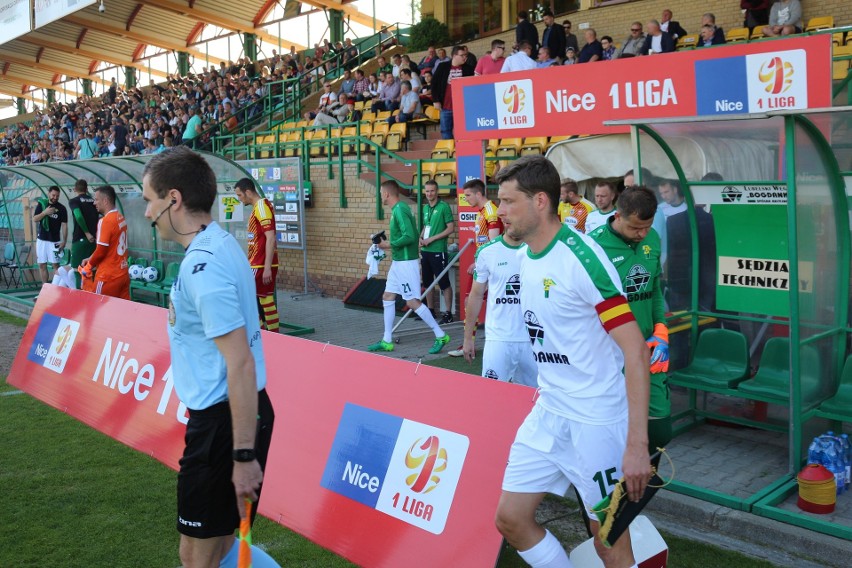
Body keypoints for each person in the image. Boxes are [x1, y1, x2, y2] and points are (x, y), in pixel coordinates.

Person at [492, 155, 651, 568]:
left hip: (597, 419)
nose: (499, 211)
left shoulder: (583, 259)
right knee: (510, 519)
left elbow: (635, 349)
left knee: (609, 543)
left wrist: (637, 445)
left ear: (540, 201)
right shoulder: (525, 256)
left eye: (508, 202)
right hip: (550, 409)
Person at [142, 146, 279, 568]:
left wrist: (242, 456)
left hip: (224, 423)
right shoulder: (220, 242)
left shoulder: (202, 266)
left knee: (197, 557)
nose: (147, 212)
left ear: (174, 199)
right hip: (235, 416)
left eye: (149, 200)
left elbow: (239, 362)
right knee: (216, 549)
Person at [590, 186, 671, 453]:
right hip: (612, 354)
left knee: (660, 431)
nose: (642, 234)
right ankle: (616, 488)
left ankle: (640, 482)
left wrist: (661, 329)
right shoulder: (594, 246)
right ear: (618, 215)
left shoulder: (653, 239)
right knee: (613, 433)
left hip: (650, 348)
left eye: (647, 227)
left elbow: (654, 289)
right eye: (636, 228)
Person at [367, 180, 451, 354]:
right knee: (388, 295)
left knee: (412, 301)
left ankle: (440, 334)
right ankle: (387, 340)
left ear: (387, 194)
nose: (380, 196)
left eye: (381, 193)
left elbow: (410, 236)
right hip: (399, 262)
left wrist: (388, 245)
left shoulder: (400, 210)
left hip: (406, 263)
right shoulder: (398, 209)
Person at [461, 228, 537, 387]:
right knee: (491, 396)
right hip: (498, 340)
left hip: (533, 340)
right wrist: (468, 338)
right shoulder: (487, 251)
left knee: (534, 399)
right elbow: (475, 296)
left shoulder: (538, 248)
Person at [448, 178, 503, 358]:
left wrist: (480, 263)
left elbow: (494, 242)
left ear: (479, 194)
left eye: (469, 195)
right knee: (468, 301)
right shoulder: (481, 212)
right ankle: (469, 341)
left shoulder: (490, 211)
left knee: (480, 301)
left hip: (490, 267)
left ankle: (480, 341)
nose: (466, 199)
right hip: (482, 265)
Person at [234, 178, 280, 333]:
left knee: (246, 298)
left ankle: (261, 333)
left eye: (240, 195)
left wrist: (267, 267)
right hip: (258, 263)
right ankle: (270, 333)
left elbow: (271, 237)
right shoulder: (259, 207)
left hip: (260, 264)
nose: (239, 199)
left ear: (248, 192)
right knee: (264, 299)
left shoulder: (261, 206)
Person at [78, 185, 130, 299]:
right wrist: (90, 257)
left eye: (96, 199)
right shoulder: (120, 217)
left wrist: (89, 266)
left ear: (105, 201)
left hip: (108, 277)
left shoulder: (105, 221)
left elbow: (101, 251)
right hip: (123, 274)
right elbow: (108, 247)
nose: (94, 203)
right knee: (122, 313)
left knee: (98, 311)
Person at [419, 180, 455, 325]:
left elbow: (450, 228)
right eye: (427, 191)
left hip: (438, 251)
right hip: (425, 251)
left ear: (437, 191)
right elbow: (426, 226)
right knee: (427, 283)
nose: (429, 194)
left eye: (432, 191)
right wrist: (421, 238)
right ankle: (430, 311)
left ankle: (448, 313)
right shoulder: (425, 208)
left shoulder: (444, 207)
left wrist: (432, 239)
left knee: (443, 283)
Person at [431, 46, 474, 140]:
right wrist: (435, 100)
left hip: (462, 108)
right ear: (454, 56)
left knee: (463, 131)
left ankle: (462, 151)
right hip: (446, 107)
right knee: (445, 131)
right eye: (462, 55)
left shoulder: (469, 69)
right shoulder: (443, 66)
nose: (464, 57)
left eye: (465, 55)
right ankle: (451, 153)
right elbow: (434, 83)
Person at [68, 178, 100, 288]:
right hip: (94, 240)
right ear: (86, 189)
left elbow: (78, 216)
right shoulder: (94, 201)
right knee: (93, 270)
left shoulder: (74, 201)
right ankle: (93, 298)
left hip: (80, 239)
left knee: (78, 271)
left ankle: (80, 299)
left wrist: (86, 232)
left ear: (75, 189)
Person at [33, 185, 68, 285]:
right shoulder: (42, 204)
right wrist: (45, 212)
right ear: (49, 193)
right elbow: (35, 219)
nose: (55, 197)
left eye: (57, 196)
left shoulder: (62, 208)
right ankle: (45, 288)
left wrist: (64, 241)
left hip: (55, 241)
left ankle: (55, 288)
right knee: (42, 265)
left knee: (56, 266)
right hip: (42, 240)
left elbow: (64, 225)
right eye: (53, 195)